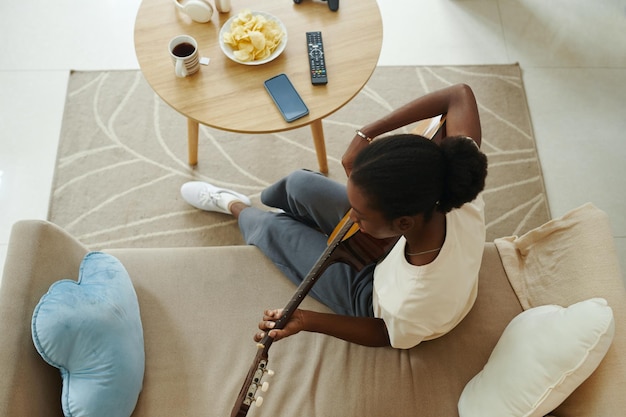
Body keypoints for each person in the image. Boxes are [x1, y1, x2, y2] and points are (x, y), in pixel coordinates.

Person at [180, 83, 488, 349]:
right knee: (299, 183)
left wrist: (306, 319)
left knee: (274, 229)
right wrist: (366, 134)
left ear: (402, 223)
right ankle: (267, 200)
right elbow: (458, 95)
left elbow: (385, 333)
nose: (351, 217)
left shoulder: (411, 302)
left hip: (376, 296)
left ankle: (236, 207)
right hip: (402, 251)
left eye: (361, 215)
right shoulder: (451, 180)